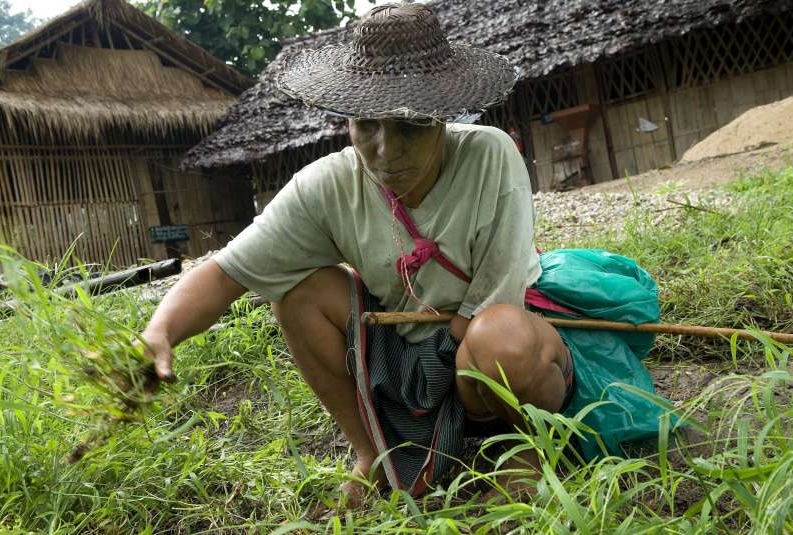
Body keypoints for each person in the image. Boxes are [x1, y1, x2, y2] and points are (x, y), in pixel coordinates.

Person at [140, 3, 662, 506]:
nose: (386, 152)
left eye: (409, 127)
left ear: (441, 117)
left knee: (497, 338)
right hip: (404, 342)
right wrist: (158, 334)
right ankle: (372, 450)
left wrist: (426, 382)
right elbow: (227, 271)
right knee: (296, 295)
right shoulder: (326, 187)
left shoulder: (489, 155)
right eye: (367, 126)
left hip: (490, 332)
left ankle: (521, 444)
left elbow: (483, 312)